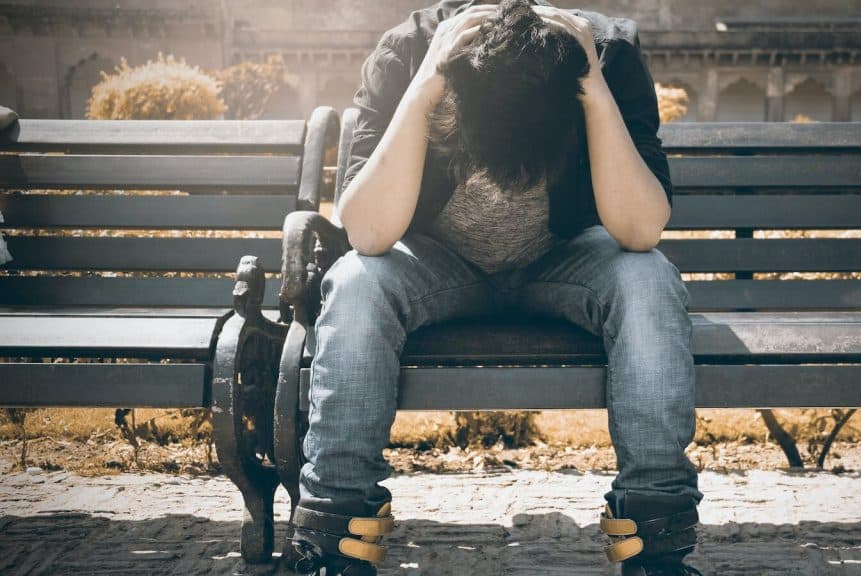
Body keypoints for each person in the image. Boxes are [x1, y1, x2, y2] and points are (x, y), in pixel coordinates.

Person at [289, 1, 703, 574]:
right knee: (357, 281)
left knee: (648, 278)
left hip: (563, 261)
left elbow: (639, 229)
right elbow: (367, 231)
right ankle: (332, 538)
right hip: (437, 264)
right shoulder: (409, 50)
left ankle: (656, 542)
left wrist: (594, 89)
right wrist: (428, 83)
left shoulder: (605, 53)